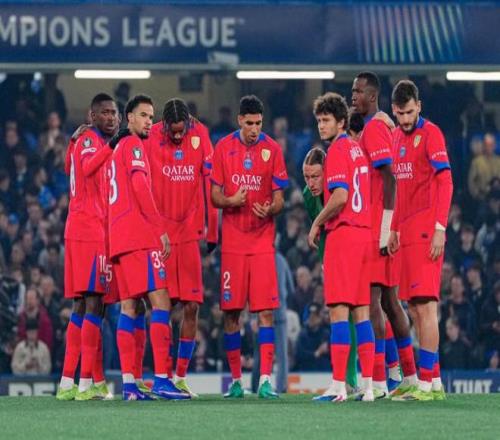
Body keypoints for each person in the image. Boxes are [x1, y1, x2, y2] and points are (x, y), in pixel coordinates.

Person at [108, 94, 189, 401]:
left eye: (151, 117)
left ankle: (129, 385)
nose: (148, 121)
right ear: (128, 117)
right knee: (161, 301)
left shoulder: (117, 149)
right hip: (138, 236)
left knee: (129, 307)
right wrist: (159, 230)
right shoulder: (133, 145)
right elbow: (140, 186)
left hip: (119, 238)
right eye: (143, 115)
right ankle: (162, 379)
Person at [211, 95, 288, 399]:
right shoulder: (223, 148)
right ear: (239, 120)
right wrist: (231, 201)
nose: (255, 129)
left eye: (259, 123)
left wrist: (270, 208)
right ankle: (235, 381)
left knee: (265, 312)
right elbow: (214, 195)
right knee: (232, 314)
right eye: (250, 123)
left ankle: (265, 380)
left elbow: (280, 198)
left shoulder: (273, 150)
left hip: (262, 243)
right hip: (232, 243)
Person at [144, 97, 218, 397]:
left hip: (188, 233)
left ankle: (181, 376)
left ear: (188, 123)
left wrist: (212, 231)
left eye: (181, 130)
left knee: (192, 306)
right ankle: (159, 374)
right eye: (172, 131)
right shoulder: (151, 135)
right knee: (161, 306)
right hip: (160, 234)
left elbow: (211, 180)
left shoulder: (201, 134)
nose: (177, 136)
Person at [388, 80, 453, 401]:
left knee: (426, 307)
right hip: (407, 233)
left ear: (419, 107)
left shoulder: (432, 134)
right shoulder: (396, 137)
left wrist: (440, 227)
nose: (405, 119)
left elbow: (446, 182)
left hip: (428, 231)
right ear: (394, 111)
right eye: (400, 114)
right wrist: (394, 228)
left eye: (410, 112)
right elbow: (401, 190)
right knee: (414, 307)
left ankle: (425, 383)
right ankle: (435, 380)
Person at [307, 92, 375, 402]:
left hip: (344, 234)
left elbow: (340, 196)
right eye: (319, 120)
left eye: (327, 120)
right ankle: (369, 386)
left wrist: (317, 222)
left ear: (341, 122)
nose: (322, 126)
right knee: (362, 313)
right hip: (364, 235)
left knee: (338, 311)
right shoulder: (358, 150)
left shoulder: (336, 150)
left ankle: (338, 386)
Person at [352, 72, 416, 396]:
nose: (353, 96)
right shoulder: (379, 126)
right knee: (391, 302)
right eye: (353, 90)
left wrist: (385, 227)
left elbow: (390, 178)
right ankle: (409, 377)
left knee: (372, 301)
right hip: (383, 224)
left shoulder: (375, 128)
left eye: (359, 91)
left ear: (373, 95)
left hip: (378, 225)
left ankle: (377, 381)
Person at [56, 93, 119, 401]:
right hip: (89, 231)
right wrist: (113, 143)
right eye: (105, 112)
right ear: (92, 116)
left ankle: (67, 382)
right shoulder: (91, 142)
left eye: (114, 113)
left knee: (83, 305)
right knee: (94, 303)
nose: (111, 118)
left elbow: (70, 166)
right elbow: (88, 166)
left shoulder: (82, 140)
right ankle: (85, 384)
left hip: (83, 229)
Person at [302, 147, 358, 392]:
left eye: (316, 176)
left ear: (327, 172)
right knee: (343, 314)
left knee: (359, 312)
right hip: (329, 252)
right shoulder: (307, 195)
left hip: (351, 248)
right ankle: (347, 379)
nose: (311, 183)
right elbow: (321, 233)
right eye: (307, 177)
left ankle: (360, 378)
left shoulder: (339, 190)